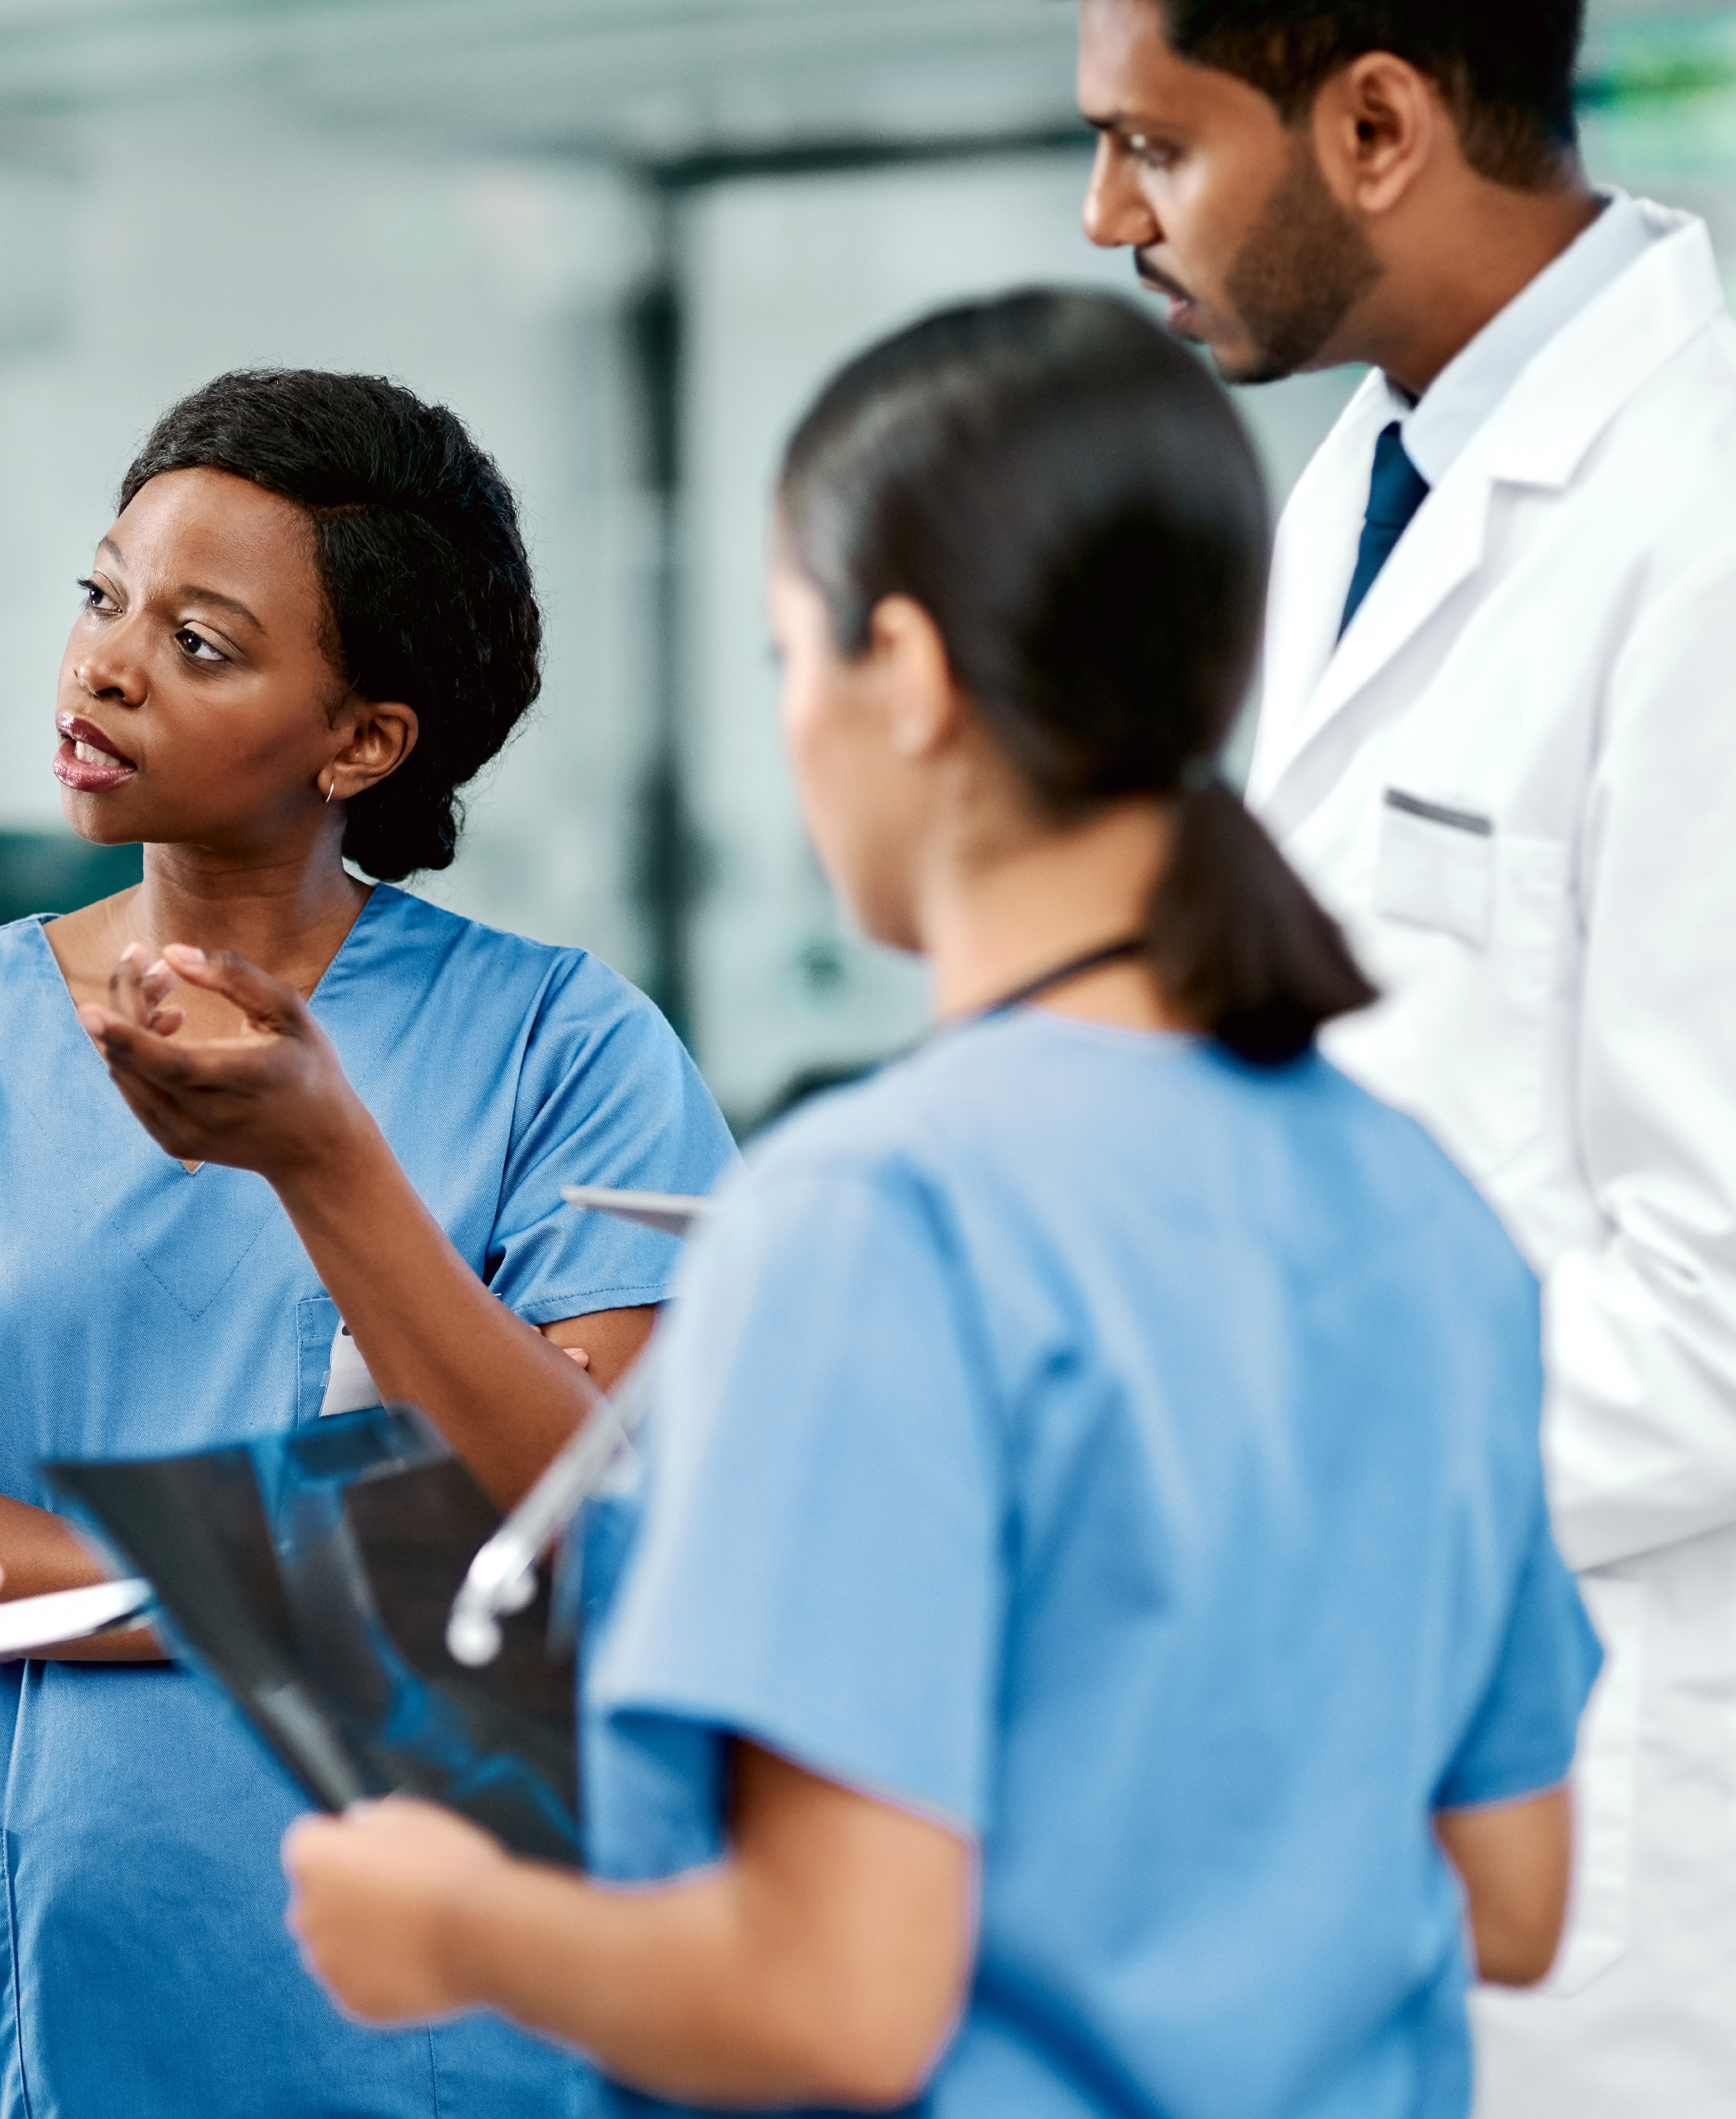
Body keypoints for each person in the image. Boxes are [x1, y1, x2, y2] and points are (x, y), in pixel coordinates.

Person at [279, 291, 1600, 2116]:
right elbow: (1514, 1894)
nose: (799, 724)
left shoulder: (875, 1221)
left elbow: (836, 2002)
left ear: (902, 672)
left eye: (786, 653)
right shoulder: (1417, 1212)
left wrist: (464, 1926)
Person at [0, 367, 734, 2117]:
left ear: (364, 738)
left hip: (438, 2000)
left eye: (204, 642)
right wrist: (284, 1595)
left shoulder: (566, 1048)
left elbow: (584, 1514)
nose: (104, 664)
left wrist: (331, 1180)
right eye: (103, 597)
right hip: (46, 1981)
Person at [1032, 0, 1736, 2104]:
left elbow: (1717, 1311)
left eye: (1153, 146)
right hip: (1372, 1749)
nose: (1101, 215)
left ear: (1373, 128)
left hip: (1620, 1817)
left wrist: (1256, 1463)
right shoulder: (1373, 474)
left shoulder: (1701, 519)